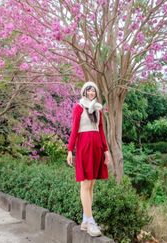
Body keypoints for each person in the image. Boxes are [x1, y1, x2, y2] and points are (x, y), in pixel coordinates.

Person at [67, 81, 111, 237]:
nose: (92, 93)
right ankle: (90, 221)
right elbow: (74, 130)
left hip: (97, 148)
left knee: (91, 184)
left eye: (94, 91)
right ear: (84, 92)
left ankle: (85, 221)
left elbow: (101, 131)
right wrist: (69, 150)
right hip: (84, 148)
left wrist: (106, 151)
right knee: (85, 183)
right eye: (89, 90)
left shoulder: (98, 110)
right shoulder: (78, 107)